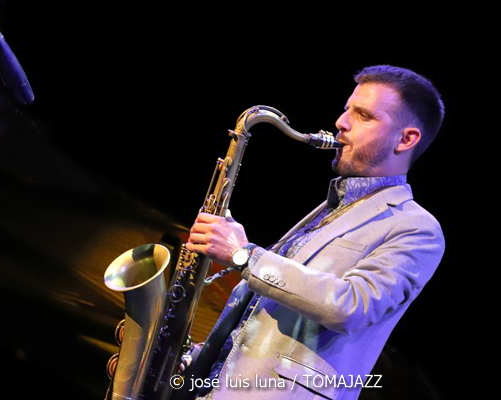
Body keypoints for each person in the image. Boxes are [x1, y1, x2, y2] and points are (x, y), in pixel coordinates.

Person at [185, 65, 445, 400]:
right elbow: (260, 324)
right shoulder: (331, 207)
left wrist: (244, 255)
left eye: (363, 115)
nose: (341, 122)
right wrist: (190, 360)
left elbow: (350, 305)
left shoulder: (417, 228)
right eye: (347, 109)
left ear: (406, 139)